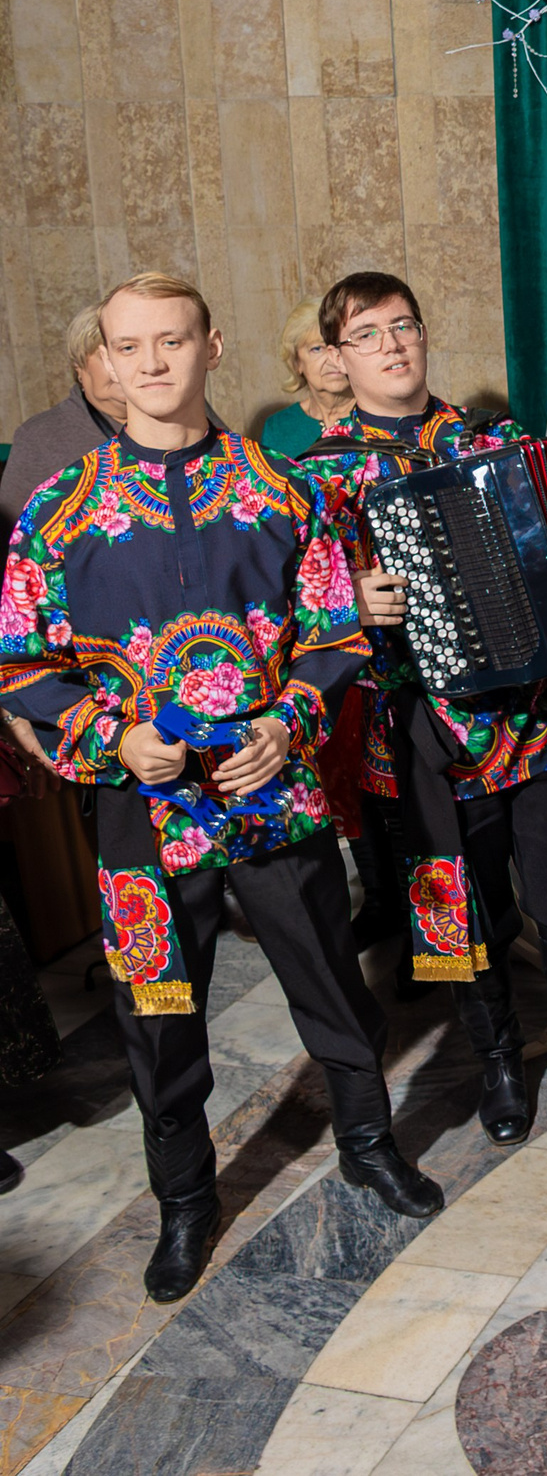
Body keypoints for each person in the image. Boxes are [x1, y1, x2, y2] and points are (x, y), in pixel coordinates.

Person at [0, 270, 439, 1304]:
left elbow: (335, 634)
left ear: (214, 346)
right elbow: (21, 663)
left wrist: (289, 725)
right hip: (140, 815)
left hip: (272, 797)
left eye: (172, 341)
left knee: (332, 981)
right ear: (104, 361)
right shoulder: (61, 511)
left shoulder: (284, 489)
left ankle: (369, 1144)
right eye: (129, 346)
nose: (151, 363)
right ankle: (186, 1199)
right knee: (159, 1009)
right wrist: (115, 734)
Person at [294, 272, 547, 1150]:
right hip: (418, 728)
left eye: (405, 324)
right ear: (337, 357)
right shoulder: (317, 476)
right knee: (457, 905)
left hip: (533, 714)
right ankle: (502, 1067)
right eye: (368, 334)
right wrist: (348, 597)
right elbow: (296, 601)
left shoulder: (496, 440)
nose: (394, 344)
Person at [0, 304, 124, 532]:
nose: (124, 367)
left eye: (128, 350)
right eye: (106, 355)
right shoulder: (39, 437)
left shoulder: (186, 411)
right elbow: (11, 534)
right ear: (79, 369)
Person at [256, 297, 352, 460]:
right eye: (317, 349)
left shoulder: (377, 415)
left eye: (339, 345)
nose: (332, 358)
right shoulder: (278, 428)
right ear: (297, 363)